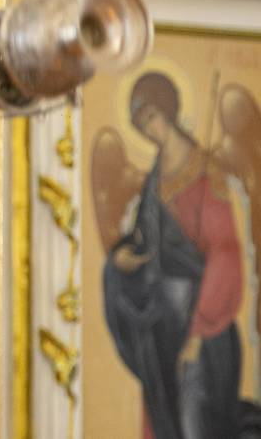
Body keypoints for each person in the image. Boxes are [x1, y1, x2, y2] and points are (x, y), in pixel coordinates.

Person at [103, 72, 243, 439]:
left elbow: (225, 255)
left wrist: (198, 332)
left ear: (168, 110)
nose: (150, 129)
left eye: (152, 117)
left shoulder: (205, 174)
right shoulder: (154, 180)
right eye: (141, 124)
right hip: (161, 333)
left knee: (195, 426)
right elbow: (144, 241)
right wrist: (122, 259)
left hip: (200, 334)